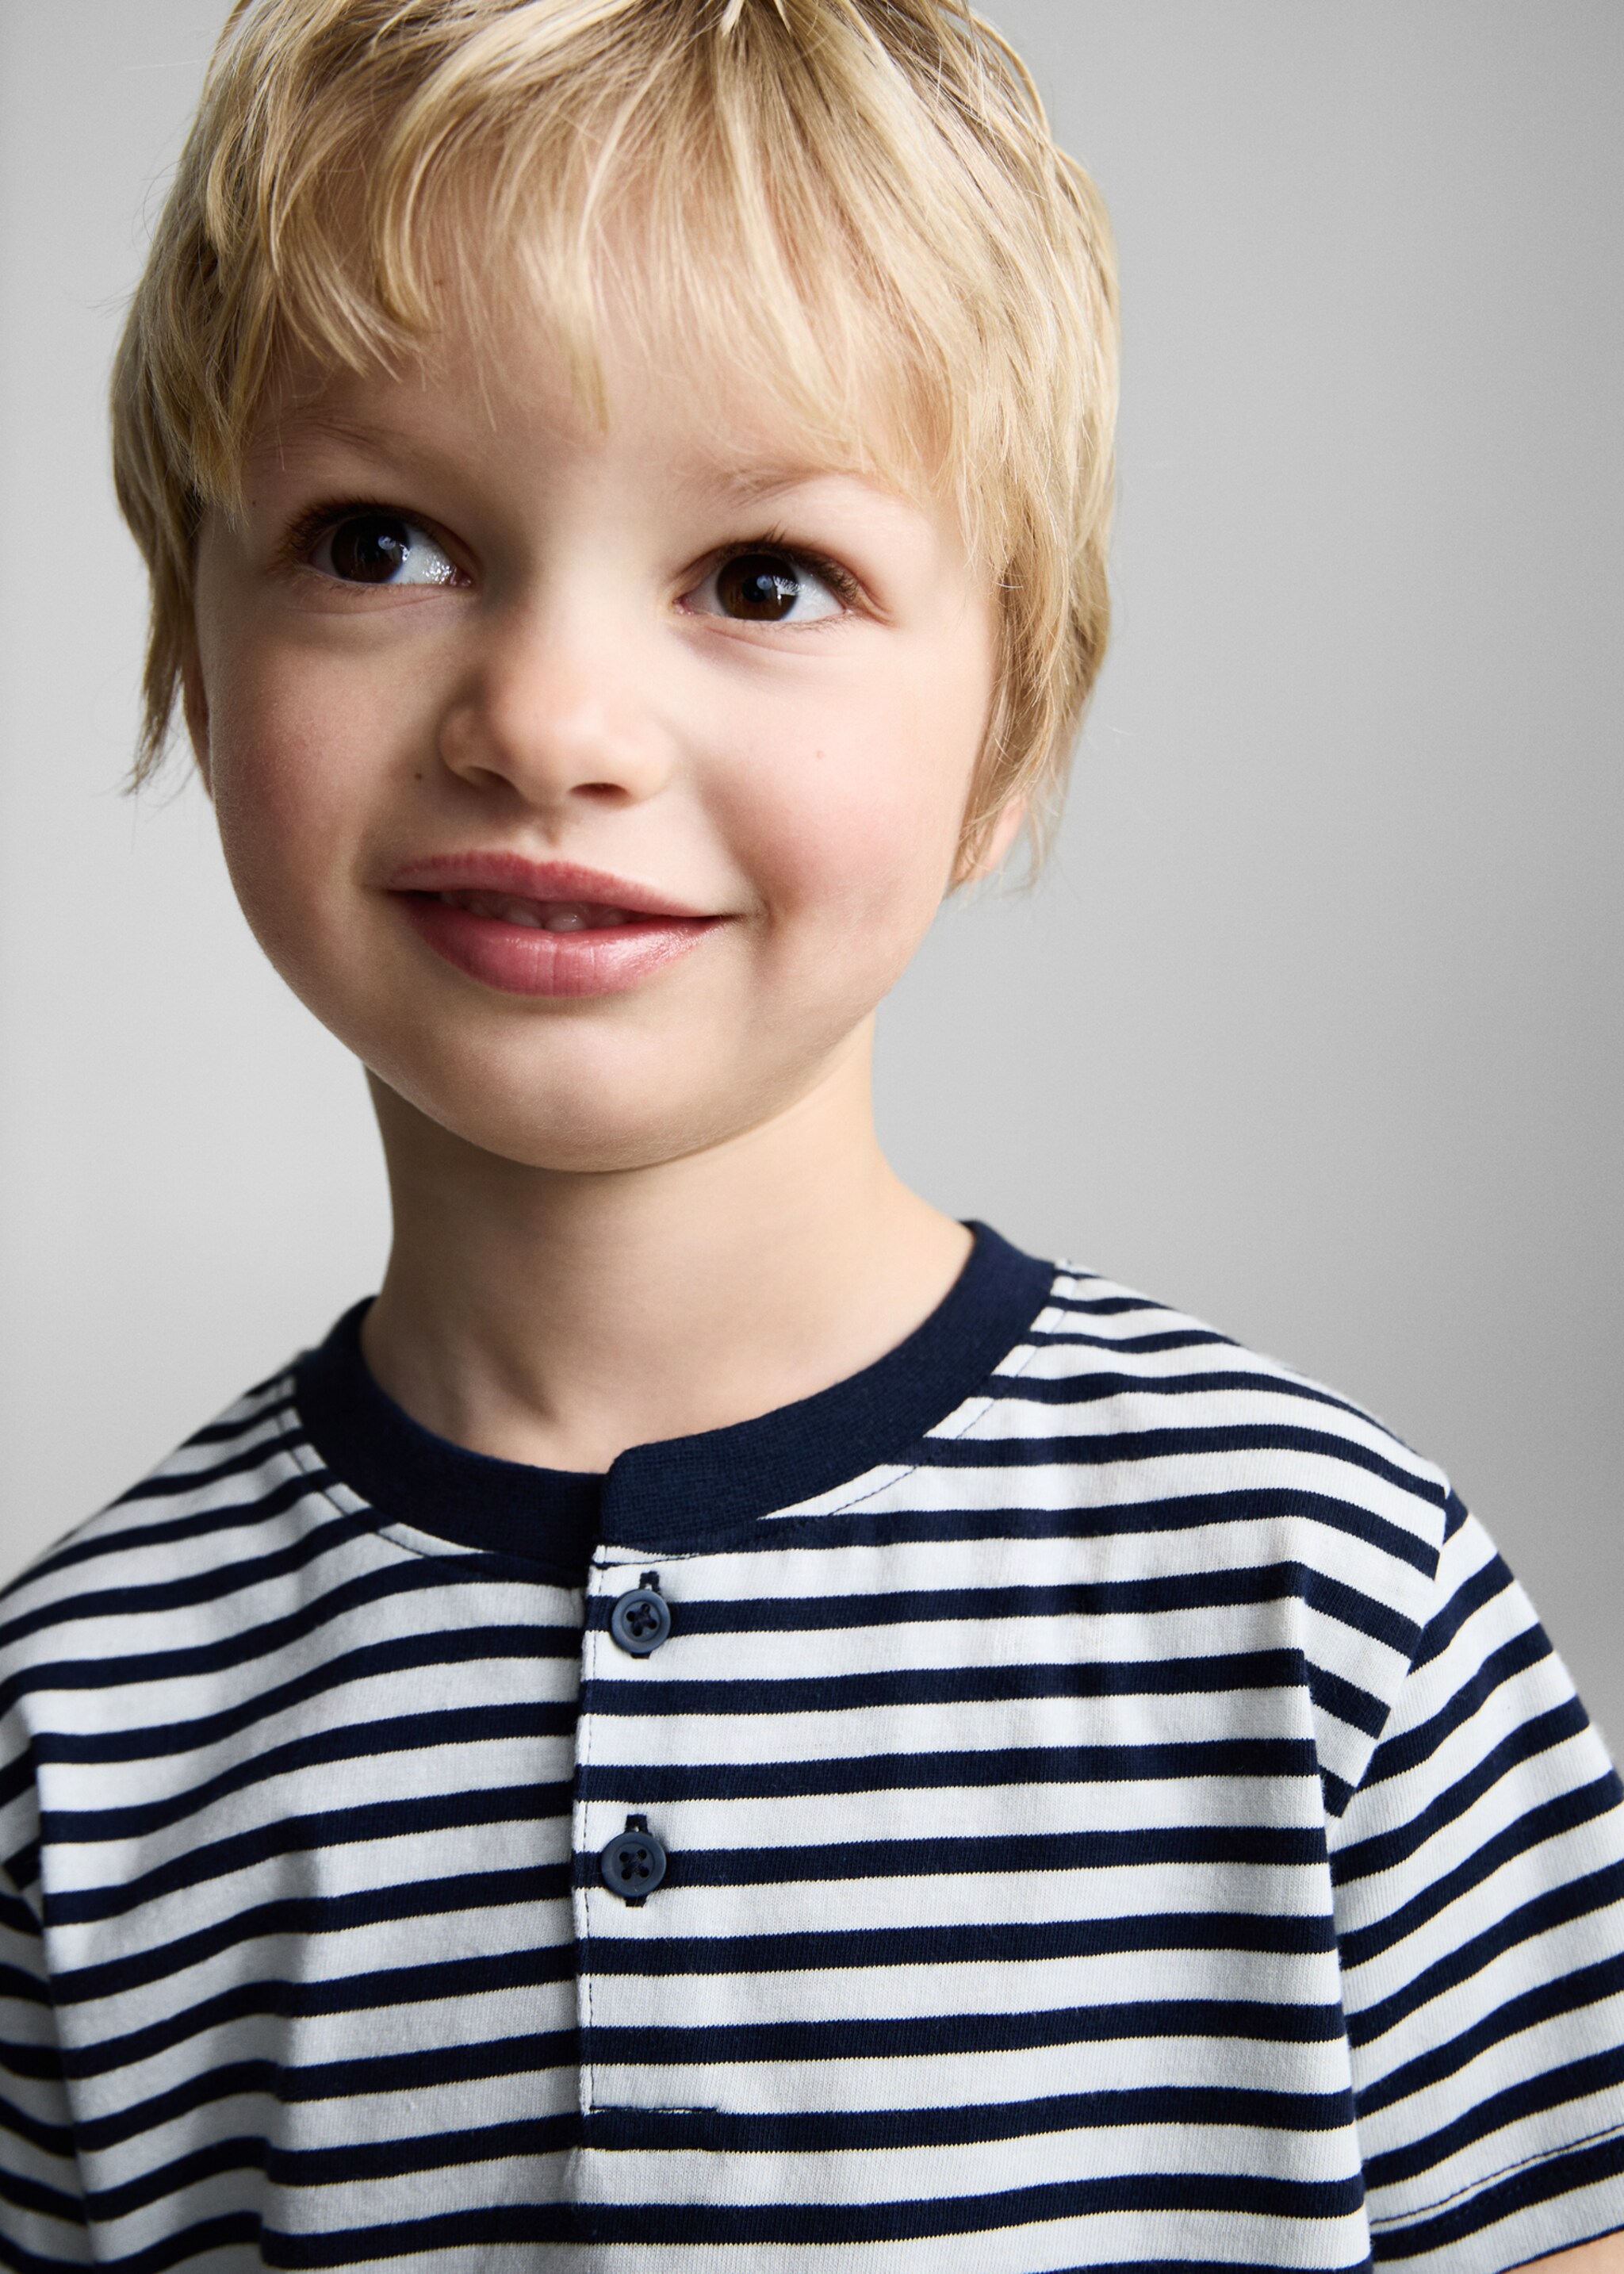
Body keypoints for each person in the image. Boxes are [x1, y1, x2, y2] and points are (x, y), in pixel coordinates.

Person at [2, 0, 1621, 2265]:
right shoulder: (79, 1734)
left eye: (762, 577)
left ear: (1010, 730)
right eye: (381, 540)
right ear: (190, 641)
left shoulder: (1331, 1603)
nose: (551, 721)